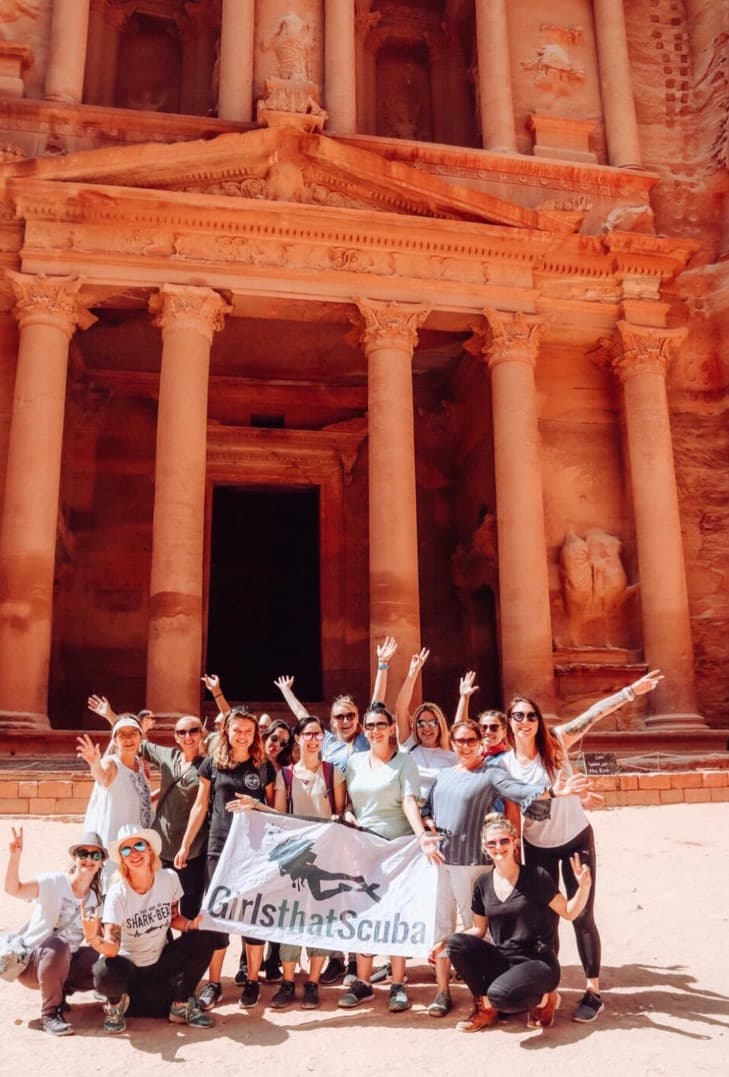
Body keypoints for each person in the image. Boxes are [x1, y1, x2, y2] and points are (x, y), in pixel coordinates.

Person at [497, 670, 663, 1023]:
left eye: (530, 715)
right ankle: (549, 991)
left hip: (575, 839)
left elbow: (593, 715)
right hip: (537, 845)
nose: (524, 722)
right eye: (517, 716)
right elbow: (521, 814)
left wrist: (630, 691)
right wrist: (556, 797)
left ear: (538, 721)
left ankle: (593, 992)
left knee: (583, 916)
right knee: (546, 919)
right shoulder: (505, 765)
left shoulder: (555, 743)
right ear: (509, 722)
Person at [422, 718, 589, 1019]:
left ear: (480, 743)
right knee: (443, 929)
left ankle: (490, 999)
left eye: (471, 740)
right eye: (459, 741)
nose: (465, 746)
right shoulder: (443, 775)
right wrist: (428, 824)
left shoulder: (491, 774)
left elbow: (518, 790)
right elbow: (428, 810)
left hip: (472, 862)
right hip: (443, 863)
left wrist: (552, 792)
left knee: (476, 932)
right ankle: (442, 991)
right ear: (453, 743)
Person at [274, 635, 397, 985]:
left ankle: (372, 956)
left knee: (360, 888)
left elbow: (378, 701)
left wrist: (383, 665)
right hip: (335, 825)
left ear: (359, 720)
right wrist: (287, 693)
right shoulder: (326, 741)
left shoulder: (363, 739)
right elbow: (302, 719)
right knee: (334, 891)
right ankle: (338, 958)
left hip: (363, 820)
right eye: (339, 717)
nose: (344, 721)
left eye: (350, 716)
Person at [431, 813, 592, 1032]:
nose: (498, 847)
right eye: (492, 843)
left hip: (539, 963)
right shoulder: (483, 883)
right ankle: (486, 1009)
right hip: (505, 959)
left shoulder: (537, 876)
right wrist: (445, 943)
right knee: (456, 944)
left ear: (515, 842)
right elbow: (479, 929)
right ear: (485, 847)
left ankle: (545, 1000)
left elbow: (568, 912)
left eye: (504, 840)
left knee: (501, 996)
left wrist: (583, 888)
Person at [336, 702, 443, 1014]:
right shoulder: (354, 762)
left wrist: (421, 836)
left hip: (398, 848)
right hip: (363, 846)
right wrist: (350, 817)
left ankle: (398, 982)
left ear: (392, 727)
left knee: (396, 912)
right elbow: (346, 805)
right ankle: (364, 982)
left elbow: (410, 802)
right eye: (369, 726)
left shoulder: (405, 762)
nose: (374, 731)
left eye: (380, 724)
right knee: (364, 910)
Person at [174, 707, 275, 1011]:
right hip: (219, 847)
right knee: (216, 913)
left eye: (248, 730)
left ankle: (252, 981)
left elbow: (277, 812)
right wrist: (185, 844)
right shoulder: (211, 765)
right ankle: (214, 982)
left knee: (252, 915)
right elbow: (200, 807)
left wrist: (257, 804)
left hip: (254, 850)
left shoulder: (263, 767)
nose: (242, 735)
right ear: (226, 732)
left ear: (255, 733)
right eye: (237, 730)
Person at [87, 824, 222, 1034]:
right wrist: (92, 937)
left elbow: (173, 917)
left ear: (150, 849)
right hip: (128, 967)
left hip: (159, 962)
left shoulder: (169, 879)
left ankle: (180, 1006)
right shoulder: (117, 893)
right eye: (126, 849)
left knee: (206, 936)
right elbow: (112, 947)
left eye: (139, 845)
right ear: (122, 859)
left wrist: (190, 925)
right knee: (102, 970)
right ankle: (116, 1005)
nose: (134, 853)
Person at [267, 713, 346, 1010]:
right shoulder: (285, 775)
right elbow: (277, 818)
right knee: (289, 918)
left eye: (318, 734)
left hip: (323, 853)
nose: (313, 739)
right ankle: (288, 982)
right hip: (293, 856)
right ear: (298, 739)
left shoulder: (332, 773)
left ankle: (311, 982)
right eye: (307, 734)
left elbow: (338, 813)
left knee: (320, 920)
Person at [4, 827, 106, 1036]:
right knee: (59, 945)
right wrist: (14, 857)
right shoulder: (53, 882)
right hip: (33, 962)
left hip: (66, 961)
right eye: (83, 854)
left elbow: (102, 937)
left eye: (94, 855)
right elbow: (13, 889)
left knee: (104, 960)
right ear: (74, 857)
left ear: (101, 861)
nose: (88, 859)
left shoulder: (96, 898)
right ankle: (49, 1015)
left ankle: (61, 995)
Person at [77, 716, 152, 881]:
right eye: (122, 735)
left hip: (136, 844)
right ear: (115, 740)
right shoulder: (111, 763)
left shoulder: (139, 765)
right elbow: (103, 778)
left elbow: (142, 800)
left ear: (140, 737)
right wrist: (94, 764)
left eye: (132, 733)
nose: (128, 739)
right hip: (114, 845)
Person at [394, 647, 456, 800]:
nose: (426, 728)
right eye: (421, 723)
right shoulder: (408, 745)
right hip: (411, 815)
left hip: (440, 816)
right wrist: (413, 673)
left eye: (432, 723)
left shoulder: (451, 756)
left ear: (440, 725)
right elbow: (401, 708)